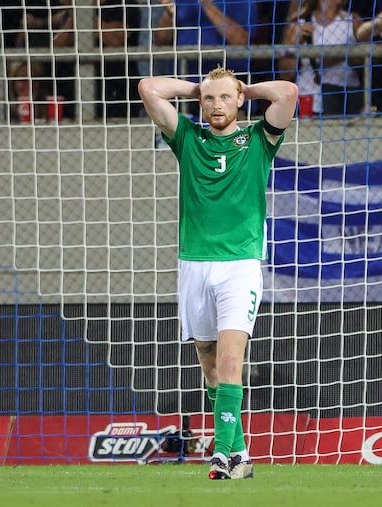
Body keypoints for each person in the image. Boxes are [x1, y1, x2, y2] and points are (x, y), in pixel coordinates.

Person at [138, 68, 297, 480]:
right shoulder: (188, 139)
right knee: (209, 366)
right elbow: (149, 88)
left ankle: (222, 455)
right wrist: (200, 88)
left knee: (230, 362)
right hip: (194, 264)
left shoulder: (258, 141)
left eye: (226, 98)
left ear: (239, 100)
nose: (217, 105)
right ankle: (242, 455)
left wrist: (241, 87)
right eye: (209, 100)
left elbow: (287, 93)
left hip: (239, 265)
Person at [277, 0, 365, 116]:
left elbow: (363, 63)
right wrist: (294, 45)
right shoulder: (299, 23)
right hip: (308, 99)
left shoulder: (352, 20)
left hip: (344, 99)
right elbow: (286, 74)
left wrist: (343, 54)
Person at [153, 0, 257, 79]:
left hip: (226, 83)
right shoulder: (180, 2)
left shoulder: (241, 2)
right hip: (184, 83)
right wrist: (169, 14)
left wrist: (207, 5)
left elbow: (241, 41)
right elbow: (160, 42)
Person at [97, 0, 142, 119]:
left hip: (127, 109)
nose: (115, 29)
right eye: (108, 24)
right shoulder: (103, 8)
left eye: (120, 26)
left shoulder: (131, 8)